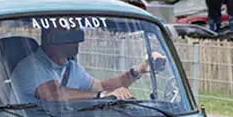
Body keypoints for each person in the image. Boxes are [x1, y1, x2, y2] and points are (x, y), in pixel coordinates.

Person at [10, 27, 165, 105]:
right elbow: (53, 94)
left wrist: (140, 69)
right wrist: (103, 97)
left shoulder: (70, 67)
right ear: (52, 38)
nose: (79, 40)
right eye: (72, 35)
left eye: (79, 34)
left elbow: (101, 85)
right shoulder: (29, 66)